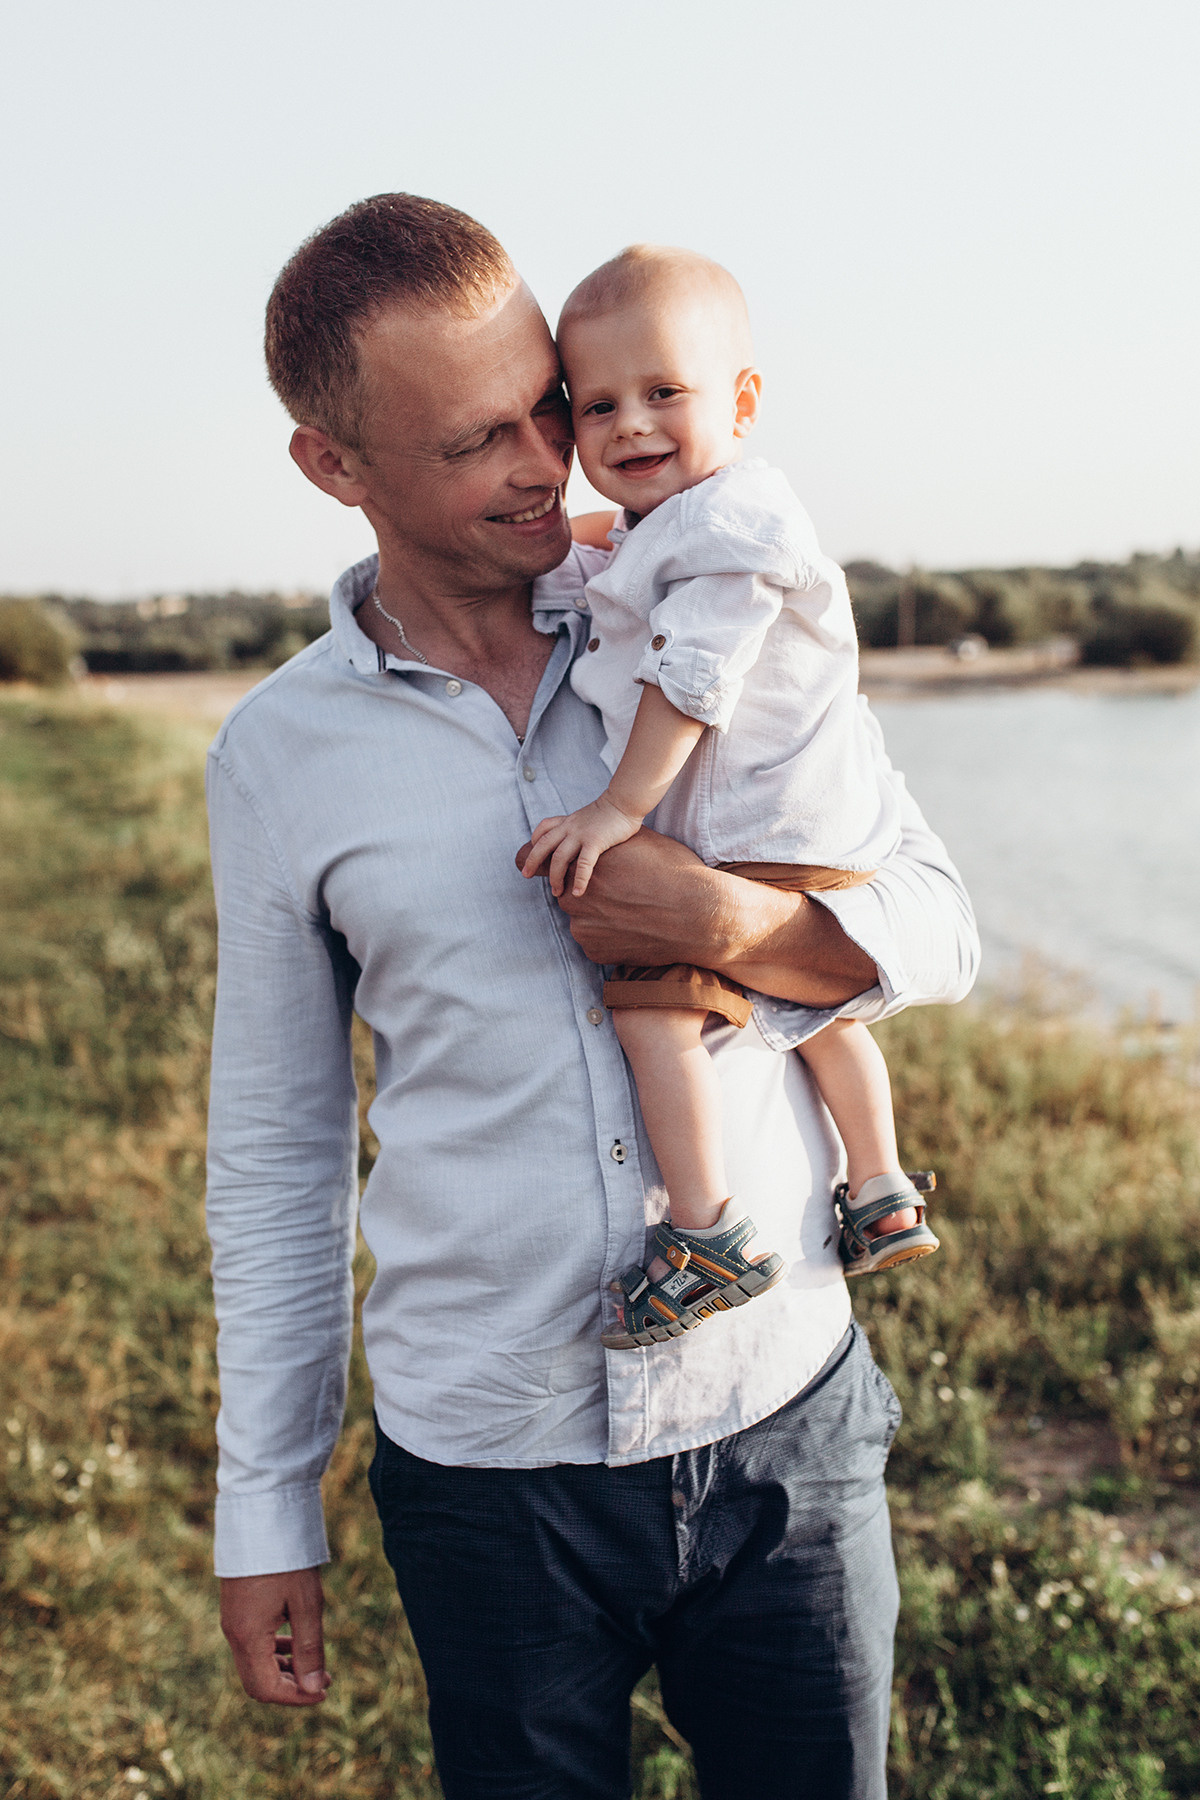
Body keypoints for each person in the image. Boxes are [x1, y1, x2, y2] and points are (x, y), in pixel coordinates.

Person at [208, 192, 979, 1800]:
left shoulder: (703, 607)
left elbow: (940, 923)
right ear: (332, 467)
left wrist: (721, 918)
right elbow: (277, 1152)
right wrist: (265, 1502)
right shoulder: (278, 758)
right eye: (475, 438)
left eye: (547, 405)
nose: (545, 462)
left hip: (790, 1427)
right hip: (492, 1474)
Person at [522, 246, 938, 1349]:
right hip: (812, 832)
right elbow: (603, 584)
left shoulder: (727, 527)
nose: (630, 424)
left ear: (743, 401)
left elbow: (690, 681)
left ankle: (708, 1236)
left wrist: (617, 809)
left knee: (656, 1007)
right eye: (597, 404)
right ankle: (881, 1184)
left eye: (665, 392)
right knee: (821, 1010)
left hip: (756, 830)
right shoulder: (683, 526)